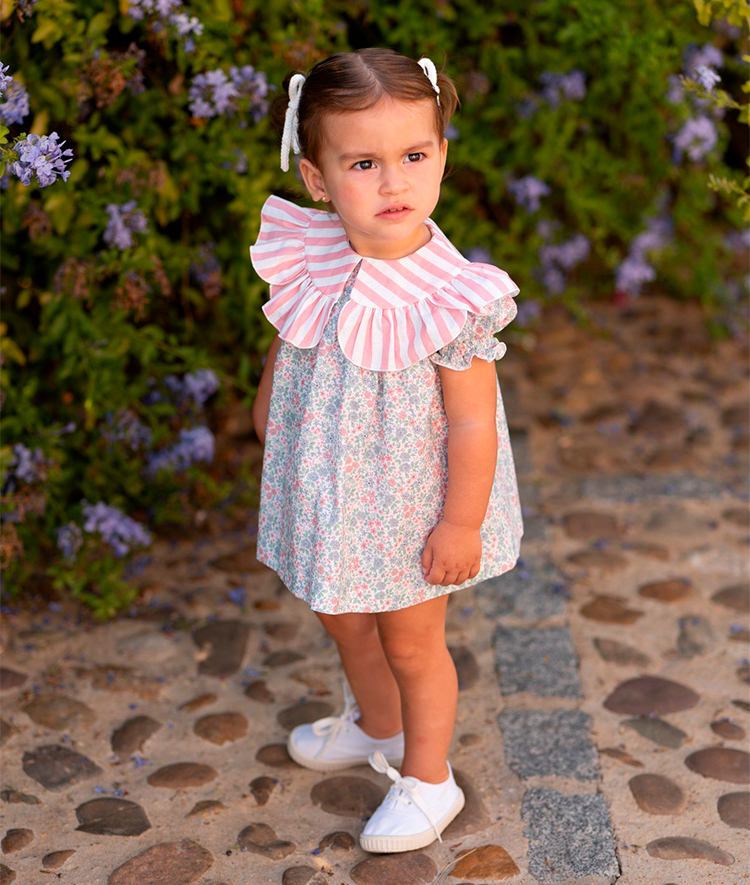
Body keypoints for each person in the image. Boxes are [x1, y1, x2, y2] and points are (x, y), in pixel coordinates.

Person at [249, 48, 523, 854]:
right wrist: (269, 411)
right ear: (318, 178)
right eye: (364, 163)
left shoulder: (450, 295)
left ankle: (430, 777)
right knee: (340, 613)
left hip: (413, 506)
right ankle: (378, 722)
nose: (394, 182)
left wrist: (460, 523)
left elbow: (473, 423)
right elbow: (292, 336)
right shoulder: (312, 252)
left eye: (414, 155)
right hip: (333, 490)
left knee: (410, 638)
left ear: (441, 154)